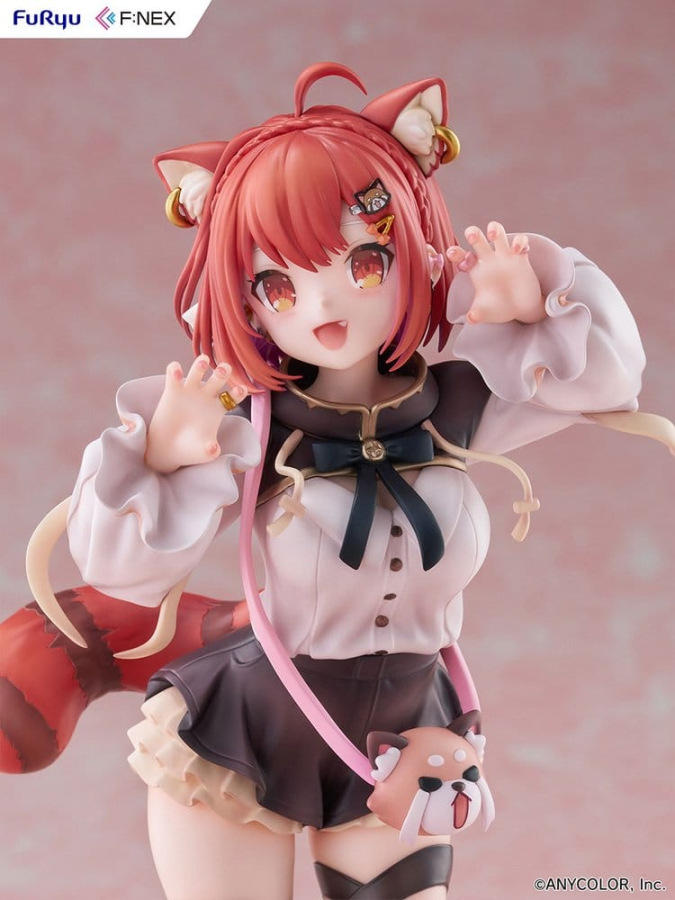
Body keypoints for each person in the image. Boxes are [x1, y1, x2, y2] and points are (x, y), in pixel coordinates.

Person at [17, 62, 673, 899]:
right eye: (278, 284)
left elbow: (603, 380)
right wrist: (169, 455)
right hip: (241, 737)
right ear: (244, 301)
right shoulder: (253, 429)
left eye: (364, 264)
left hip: (405, 739)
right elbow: (124, 570)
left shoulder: (457, 406)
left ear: (415, 251)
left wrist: (532, 303)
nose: (323, 309)